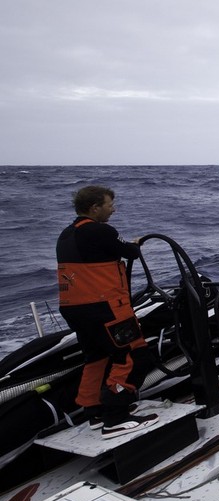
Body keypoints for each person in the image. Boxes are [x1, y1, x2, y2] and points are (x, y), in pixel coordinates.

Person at [57, 186, 159, 438]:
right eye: (109, 204)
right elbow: (130, 251)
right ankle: (115, 417)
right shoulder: (100, 231)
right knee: (133, 356)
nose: (113, 209)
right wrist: (133, 245)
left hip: (75, 310)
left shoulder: (66, 235)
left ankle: (95, 411)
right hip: (105, 308)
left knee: (97, 358)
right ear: (95, 208)